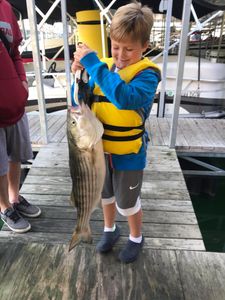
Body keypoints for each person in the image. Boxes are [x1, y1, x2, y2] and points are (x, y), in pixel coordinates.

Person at [71, 1, 161, 263]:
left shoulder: (147, 76)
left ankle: (136, 237)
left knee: (127, 203)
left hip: (128, 154)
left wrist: (94, 65)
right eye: (116, 46)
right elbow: (80, 100)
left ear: (145, 46)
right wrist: (78, 74)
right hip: (99, 151)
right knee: (104, 196)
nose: (120, 55)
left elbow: (124, 98)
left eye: (129, 49)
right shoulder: (104, 66)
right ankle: (110, 230)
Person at [0, 0, 41, 233]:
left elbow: (14, 50)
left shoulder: (6, 7)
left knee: (16, 154)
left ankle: (15, 198)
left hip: (15, 101)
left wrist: (23, 82)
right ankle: (4, 206)